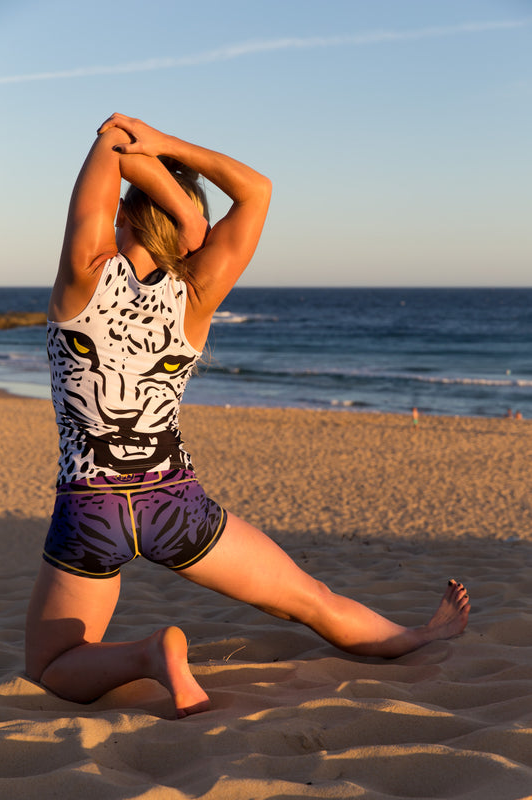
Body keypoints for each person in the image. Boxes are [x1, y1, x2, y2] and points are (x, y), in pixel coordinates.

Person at [25, 113, 470, 718]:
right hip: (173, 502)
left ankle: (148, 655)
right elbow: (257, 190)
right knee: (310, 600)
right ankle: (421, 635)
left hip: (90, 505)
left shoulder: (82, 276)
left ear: (122, 213)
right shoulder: (197, 295)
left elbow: (110, 141)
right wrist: (179, 176)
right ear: (188, 236)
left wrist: (169, 197)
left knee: (50, 666)